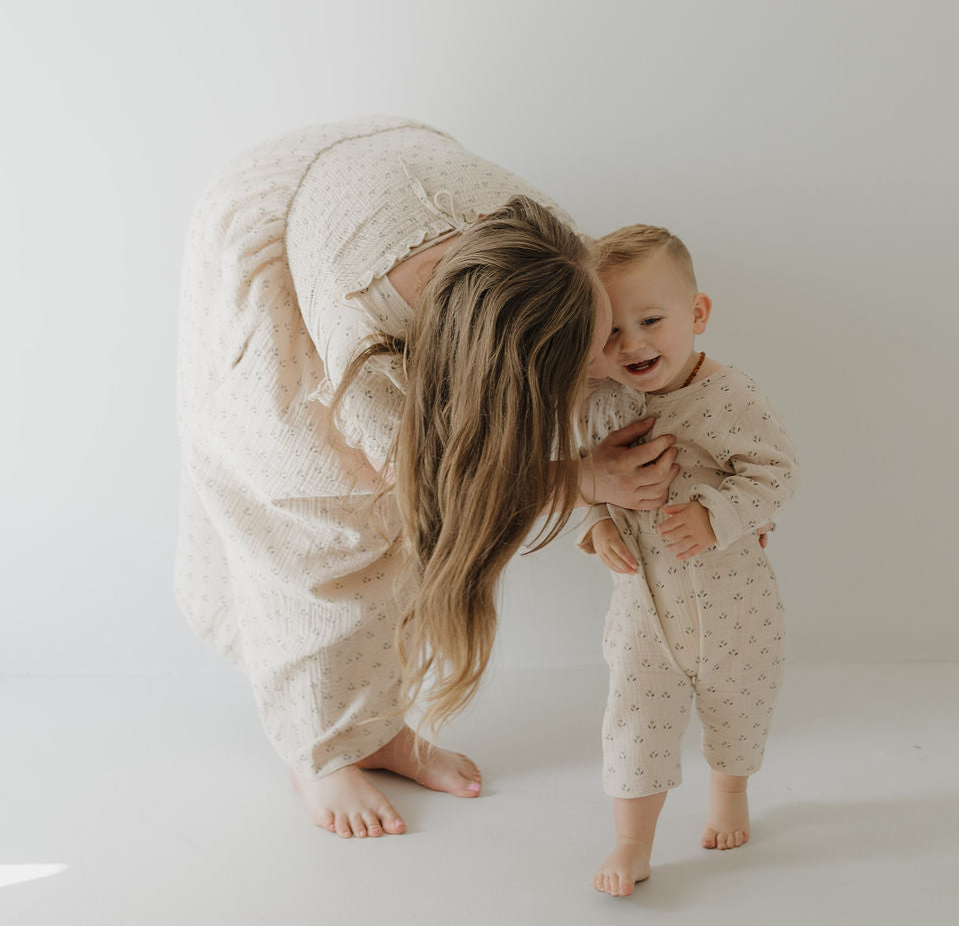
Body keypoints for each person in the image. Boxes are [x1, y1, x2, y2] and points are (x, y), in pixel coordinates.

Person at [176, 117, 678, 840]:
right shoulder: (366, 357)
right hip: (270, 233)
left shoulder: (555, 250)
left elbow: (615, 379)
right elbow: (446, 489)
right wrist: (585, 481)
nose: (608, 355)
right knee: (325, 544)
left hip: (372, 176)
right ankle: (319, 751)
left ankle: (373, 726)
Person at [577, 225, 799, 897]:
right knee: (635, 725)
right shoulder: (600, 406)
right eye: (612, 331)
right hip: (645, 611)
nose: (633, 344)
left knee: (740, 706)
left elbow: (777, 475)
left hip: (736, 601)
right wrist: (596, 529)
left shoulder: (731, 397)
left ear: (696, 315)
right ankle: (631, 841)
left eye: (651, 321)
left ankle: (730, 791)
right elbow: (588, 481)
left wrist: (718, 516)